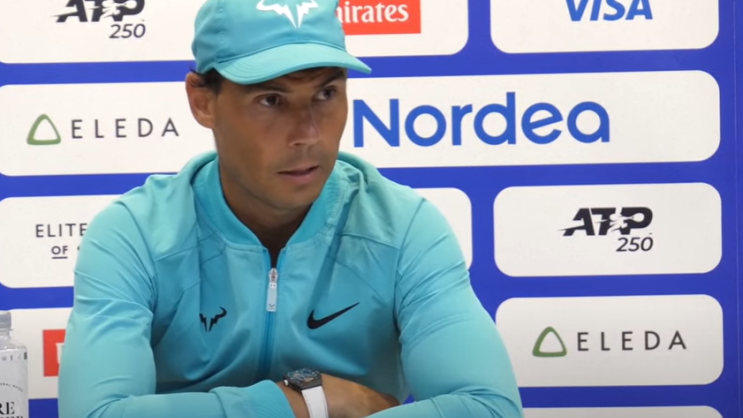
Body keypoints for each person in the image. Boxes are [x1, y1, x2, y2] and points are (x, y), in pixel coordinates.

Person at [57, 0, 524, 417]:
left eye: (326, 94)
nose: (308, 133)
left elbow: (489, 408)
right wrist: (305, 402)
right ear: (202, 101)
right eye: (271, 100)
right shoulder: (135, 234)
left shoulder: (402, 228)